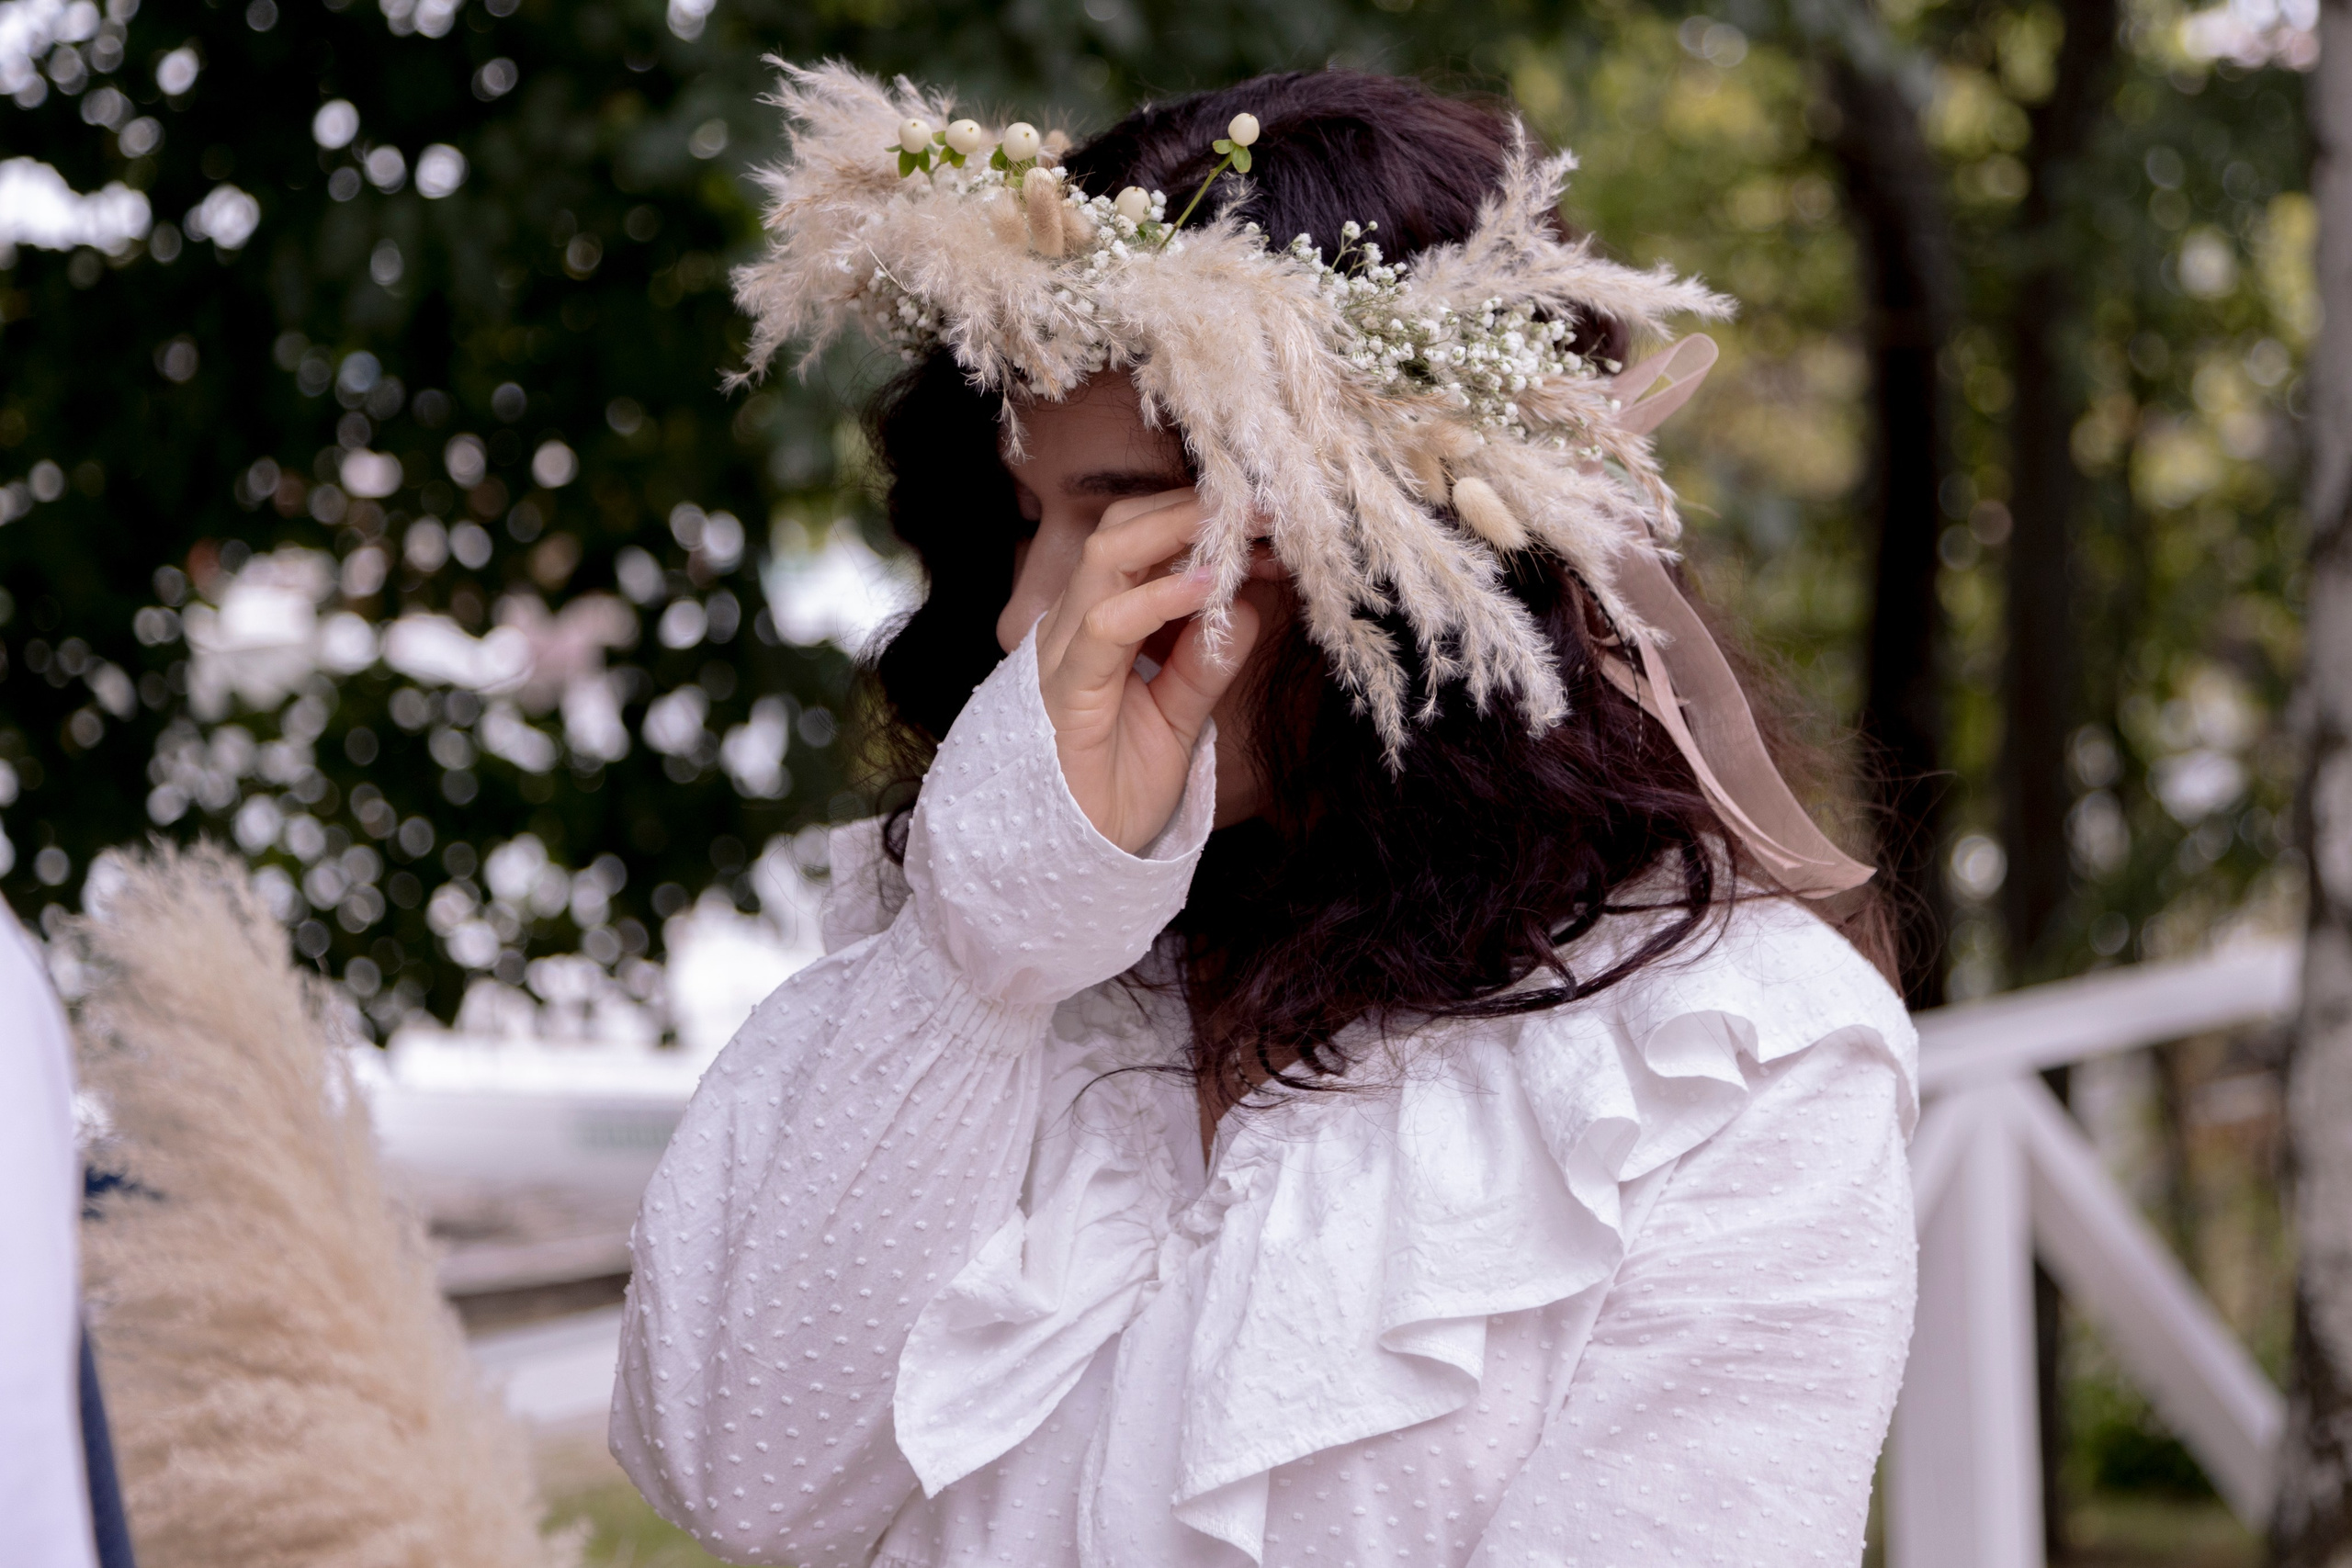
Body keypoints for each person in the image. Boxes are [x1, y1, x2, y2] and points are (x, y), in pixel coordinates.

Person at [612, 65, 1918, 1568]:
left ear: (1400, 558)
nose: (1025, 623)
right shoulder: (984, 950)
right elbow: (738, 1477)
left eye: (1126, 521)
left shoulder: (1729, 1055)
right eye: (1032, 520)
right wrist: (987, 962)